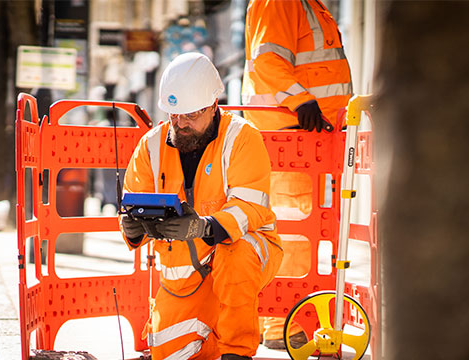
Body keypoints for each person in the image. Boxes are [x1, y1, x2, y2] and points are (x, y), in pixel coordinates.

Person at [119, 52, 283, 360]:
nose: (180, 124)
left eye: (190, 116)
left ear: (213, 106)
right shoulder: (150, 145)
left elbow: (250, 207)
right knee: (170, 352)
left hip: (245, 253)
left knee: (237, 252)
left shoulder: (242, 138)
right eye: (173, 115)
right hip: (184, 278)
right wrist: (130, 228)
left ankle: (237, 353)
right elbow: (133, 200)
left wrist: (203, 226)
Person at [241, 0, 353, 350]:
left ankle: (282, 321)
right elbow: (267, 60)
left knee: (297, 234)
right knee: (290, 235)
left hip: (307, 137)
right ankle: (279, 326)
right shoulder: (280, 1)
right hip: (288, 133)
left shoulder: (309, 5)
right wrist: (300, 100)